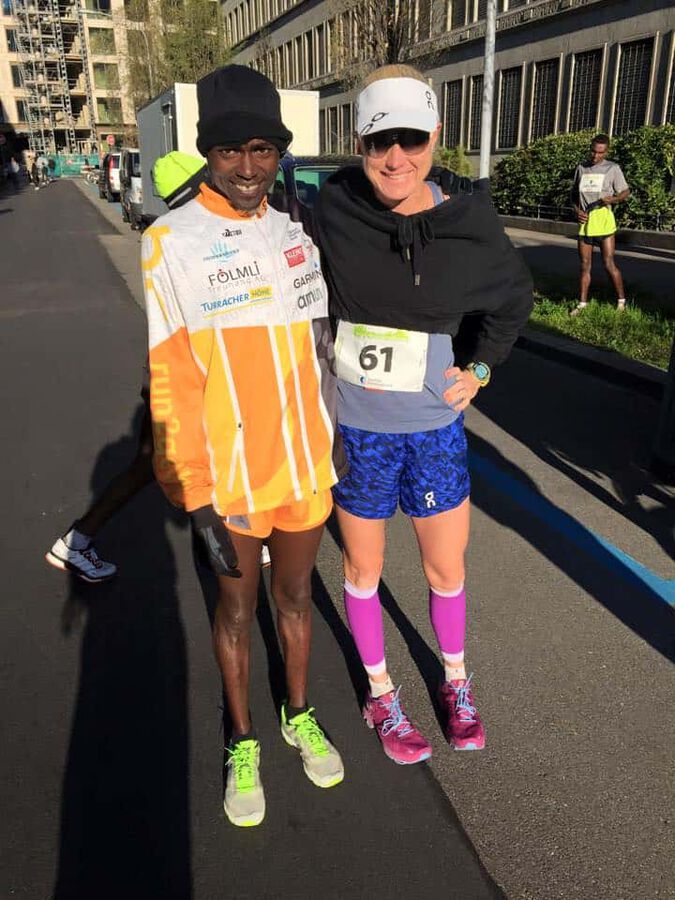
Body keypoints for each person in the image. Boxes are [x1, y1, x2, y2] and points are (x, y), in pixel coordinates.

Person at [143, 65, 345, 826]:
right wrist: (190, 492)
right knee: (236, 613)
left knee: (295, 600)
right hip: (230, 481)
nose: (248, 166)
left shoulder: (296, 232)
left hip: (304, 470)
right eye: (230, 150)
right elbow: (169, 378)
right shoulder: (170, 241)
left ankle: (298, 714)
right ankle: (243, 739)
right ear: (207, 152)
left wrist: (335, 439)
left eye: (263, 149)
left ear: (279, 152)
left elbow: (321, 349)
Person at [315, 65, 533, 764]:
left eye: (411, 139)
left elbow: (513, 300)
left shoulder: (467, 220)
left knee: (444, 569)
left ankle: (455, 683)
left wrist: (480, 369)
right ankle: (381, 693)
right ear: (358, 142)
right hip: (358, 434)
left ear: (435, 136)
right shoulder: (334, 209)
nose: (395, 157)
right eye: (380, 141)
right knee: (362, 569)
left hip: (433, 433)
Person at [46, 151, 272, 582]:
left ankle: (78, 539)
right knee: (175, 460)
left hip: (165, 375)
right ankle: (79, 539)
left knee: (159, 462)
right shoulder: (190, 241)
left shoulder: (169, 235)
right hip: (181, 376)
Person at [571, 134, 630, 315]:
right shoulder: (581, 168)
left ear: (606, 151)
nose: (595, 156)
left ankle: (621, 302)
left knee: (608, 263)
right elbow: (573, 195)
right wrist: (576, 211)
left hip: (604, 220)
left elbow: (625, 191)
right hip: (586, 222)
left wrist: (613, 199)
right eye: (593, 151)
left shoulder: (612, 168)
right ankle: (582, 304)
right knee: (584, 265)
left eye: (600, 153)